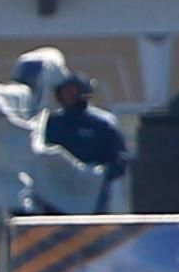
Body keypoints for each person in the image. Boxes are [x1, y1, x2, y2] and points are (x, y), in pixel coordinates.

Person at [41, 74, 132, 204]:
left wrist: (95, 175)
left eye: (72, 91)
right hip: (58, 195)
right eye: (64, 92)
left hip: (94, 198)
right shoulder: (51, 124)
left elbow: (119, 161)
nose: (68, 96)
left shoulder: (103, 123)